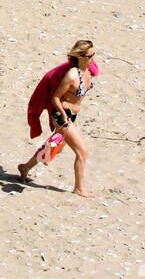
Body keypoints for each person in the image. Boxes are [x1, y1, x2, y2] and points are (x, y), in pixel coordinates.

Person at [19, 40, 96, 196]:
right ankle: (79, 188)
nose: (93, 58)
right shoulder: (72, 75)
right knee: (82, 152)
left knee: (56, 148)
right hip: (62, 116)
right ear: (80, 57)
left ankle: (25, 167)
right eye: (90, 55)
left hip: (72, 116)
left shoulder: (88, 70)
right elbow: (55, 97)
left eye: (94, 54)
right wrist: (63, 115)